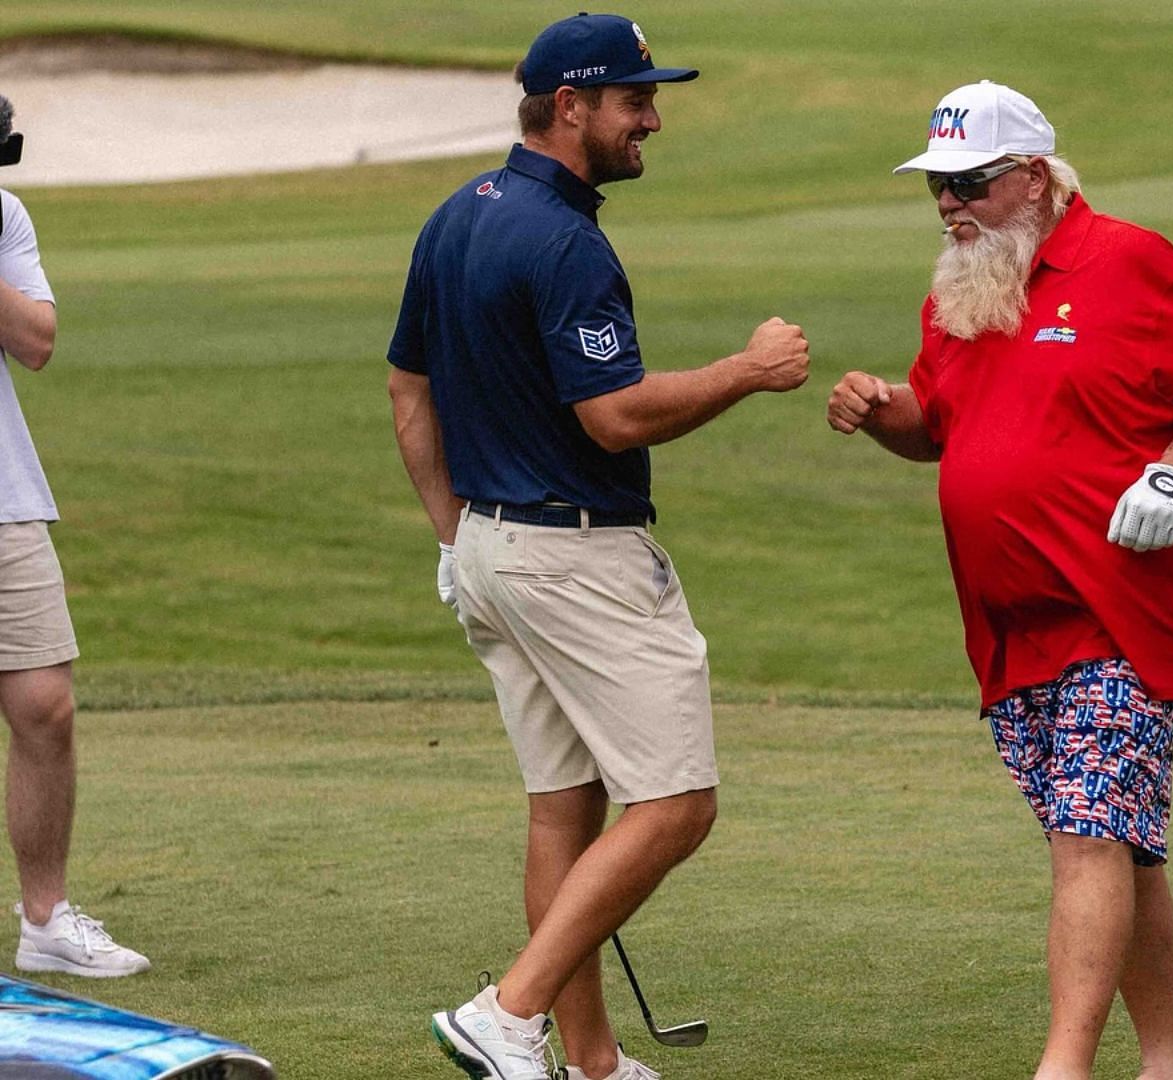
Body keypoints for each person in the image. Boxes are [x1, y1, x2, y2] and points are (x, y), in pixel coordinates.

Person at [386, 16, 809, 1080]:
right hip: (575, 561)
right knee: (675, 803)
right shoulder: (567, 241)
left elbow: (408, 390)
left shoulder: (456, 214)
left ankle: (593, 1067)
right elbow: (614, 416)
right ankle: (507, 1010)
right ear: (569, 108)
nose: (651, 119)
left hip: (491, 549)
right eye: (633, 100)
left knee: (566, 807)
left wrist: (454, 539)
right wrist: (746, 370)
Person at [828, 80, 1173, 1080]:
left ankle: (1061, 1066)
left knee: (1087, 835)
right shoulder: (964, 288)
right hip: (1011, 626)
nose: (948, 205)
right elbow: (939, 429)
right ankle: (1167, 1061)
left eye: (968, 182)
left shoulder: (1134, 261)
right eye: (936, 186)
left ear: (1032, 178)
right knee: (1118, 841)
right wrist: (879, 405)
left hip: (1123, 610)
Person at [0, 93, 150, 979]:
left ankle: (45, 917)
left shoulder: (6, 218)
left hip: (5, 496)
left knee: (45, 705)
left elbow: (38, 341)